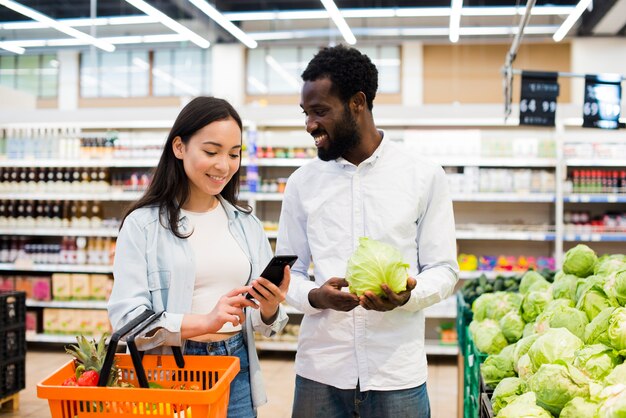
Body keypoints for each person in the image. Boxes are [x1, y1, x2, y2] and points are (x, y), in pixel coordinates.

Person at [276, 45, 459, 418]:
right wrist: (316, 296)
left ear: (357, 103)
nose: (310, 124)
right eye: (306, 113)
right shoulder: (301, 184)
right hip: (321, 372)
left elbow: (444, 268)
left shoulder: (423, 175)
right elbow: (287, 274)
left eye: (320, 111)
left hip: (396, 374)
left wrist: (408, 294)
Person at [108, 96, 290, 418]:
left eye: (234, 154)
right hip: (170, 369)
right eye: (211, 151)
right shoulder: (143, 225)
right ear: (179, 147)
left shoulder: (246, 223)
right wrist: (205, 321)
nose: (224, 165)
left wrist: (270, 306)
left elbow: (266, 326)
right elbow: (126, 320)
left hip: (237, 362)